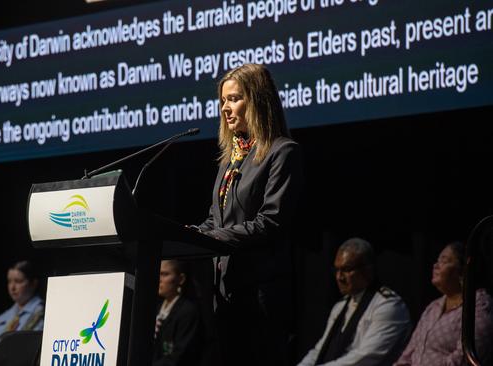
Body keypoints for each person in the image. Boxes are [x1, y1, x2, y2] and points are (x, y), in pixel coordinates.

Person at [197, 63, 303, 365]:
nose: (225, 109)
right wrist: (189, 234)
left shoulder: (283, 152)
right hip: (225, 294)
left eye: (234, 99)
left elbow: (271, 222)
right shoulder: (229, 161)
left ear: (257, 100)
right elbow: (214, 221)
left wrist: (209, 237)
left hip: (260, 293)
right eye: (223, 101)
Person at [298, 238, 411, 366]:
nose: (339, 277)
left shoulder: (388, 306)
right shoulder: (340, 306)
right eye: (336, 270)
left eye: (346, 269)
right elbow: (320, 350)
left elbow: (366, 357)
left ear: (368, 270)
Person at [393, 241, 493, 366]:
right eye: (437, 260)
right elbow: (408, 354)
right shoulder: (433, 307)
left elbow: (463, 361)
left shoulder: (480, 307)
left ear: (462, 271)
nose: (436, 265)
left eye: (444, 261)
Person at [153, 260, 202, 366]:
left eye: (165, 274)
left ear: (181, 279)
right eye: (158, 274)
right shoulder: (157, 308)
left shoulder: (187, 312)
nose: (159, 279)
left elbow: (180, 355)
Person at [0, 260, 45, 345]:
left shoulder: (44, 312)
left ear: (33, 283)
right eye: (9, 281)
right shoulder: (2, 318)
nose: (12, 287)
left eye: (18, 281)